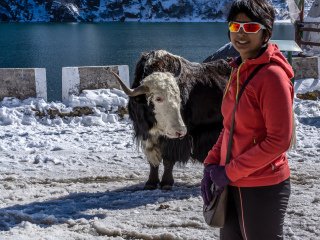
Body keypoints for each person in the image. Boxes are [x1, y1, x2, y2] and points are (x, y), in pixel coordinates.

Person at [201, 0, 295, 239]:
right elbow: (230, 125)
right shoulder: (241, 68)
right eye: (235, 27)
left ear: (267, 33)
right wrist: (211, 164)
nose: (241, 34)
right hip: (232, 181)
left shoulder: (272, 76)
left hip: (262, 185)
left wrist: (229, 172)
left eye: (250, 27)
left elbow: (279, 140)